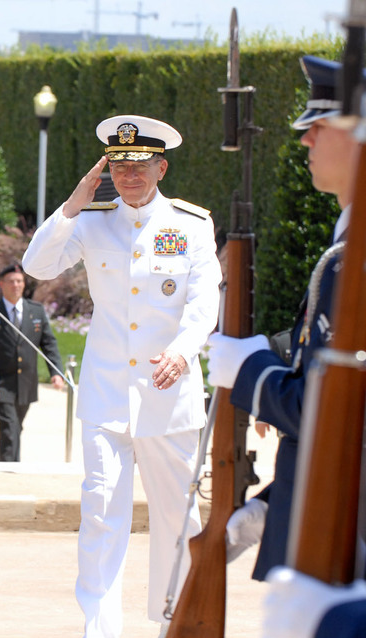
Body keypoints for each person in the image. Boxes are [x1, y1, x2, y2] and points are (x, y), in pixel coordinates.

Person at [22, 115, 222, 638]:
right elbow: (38, 265)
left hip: (169, 394)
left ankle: (177, 620)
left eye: (138, 165)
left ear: (161, 166)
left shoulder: (192, 225)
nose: (127, 175)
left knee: (178, 517)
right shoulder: (91, 220)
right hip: (107, 395)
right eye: (117, 164)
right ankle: (100, 627)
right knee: (102, 515)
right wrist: (72, 204)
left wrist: (182, 353)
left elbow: (204, 304)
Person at [206, 56, 361, 582]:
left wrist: (252, 371)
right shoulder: (346, 250)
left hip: (340, 553)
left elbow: (332, 414)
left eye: (318, 128)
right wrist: (273, 504)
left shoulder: (352, 263)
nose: (304, 142)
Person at [0, 263, 64, 462]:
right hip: (1, 384)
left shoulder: (36, 311)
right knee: (10, 429)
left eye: (20, 281)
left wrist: (56, 372)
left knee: (14, 429)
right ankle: (9, 473)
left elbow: (48, 343)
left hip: (26, 384)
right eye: (12, 281)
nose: (16, 285)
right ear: (2, 284)